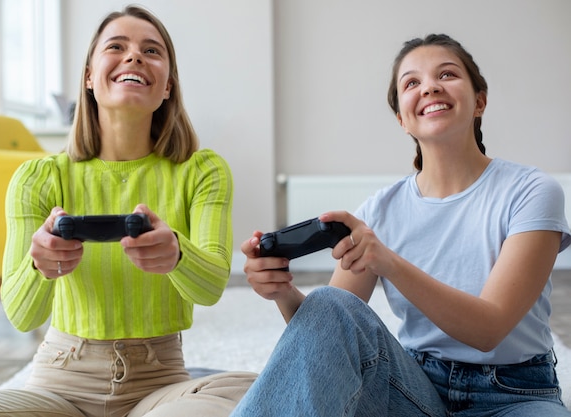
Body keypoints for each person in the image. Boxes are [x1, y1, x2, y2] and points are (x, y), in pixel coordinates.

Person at [231, 34, 571, 417]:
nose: (429, 87)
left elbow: (489, 330)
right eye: (412, 83)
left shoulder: (532, 191)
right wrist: (282, 290)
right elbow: (328, 333)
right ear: (401, 119)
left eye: (447, 74)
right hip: (414, 387)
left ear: (479, 101)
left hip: (514, 395)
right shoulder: (380, 210)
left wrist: (388, 261)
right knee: (328, 301)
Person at [0, 5, 255, 417]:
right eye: (117, 46)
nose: (134, 56)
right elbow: (22, 315)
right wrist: (40, 265)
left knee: (259, 389)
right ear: (89, 77)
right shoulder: (37, 178)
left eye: (151, 50)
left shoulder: (202, 171)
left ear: (167, 87)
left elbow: (211, 287)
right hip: (59, 385)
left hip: (159, 385)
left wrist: (177, 253)